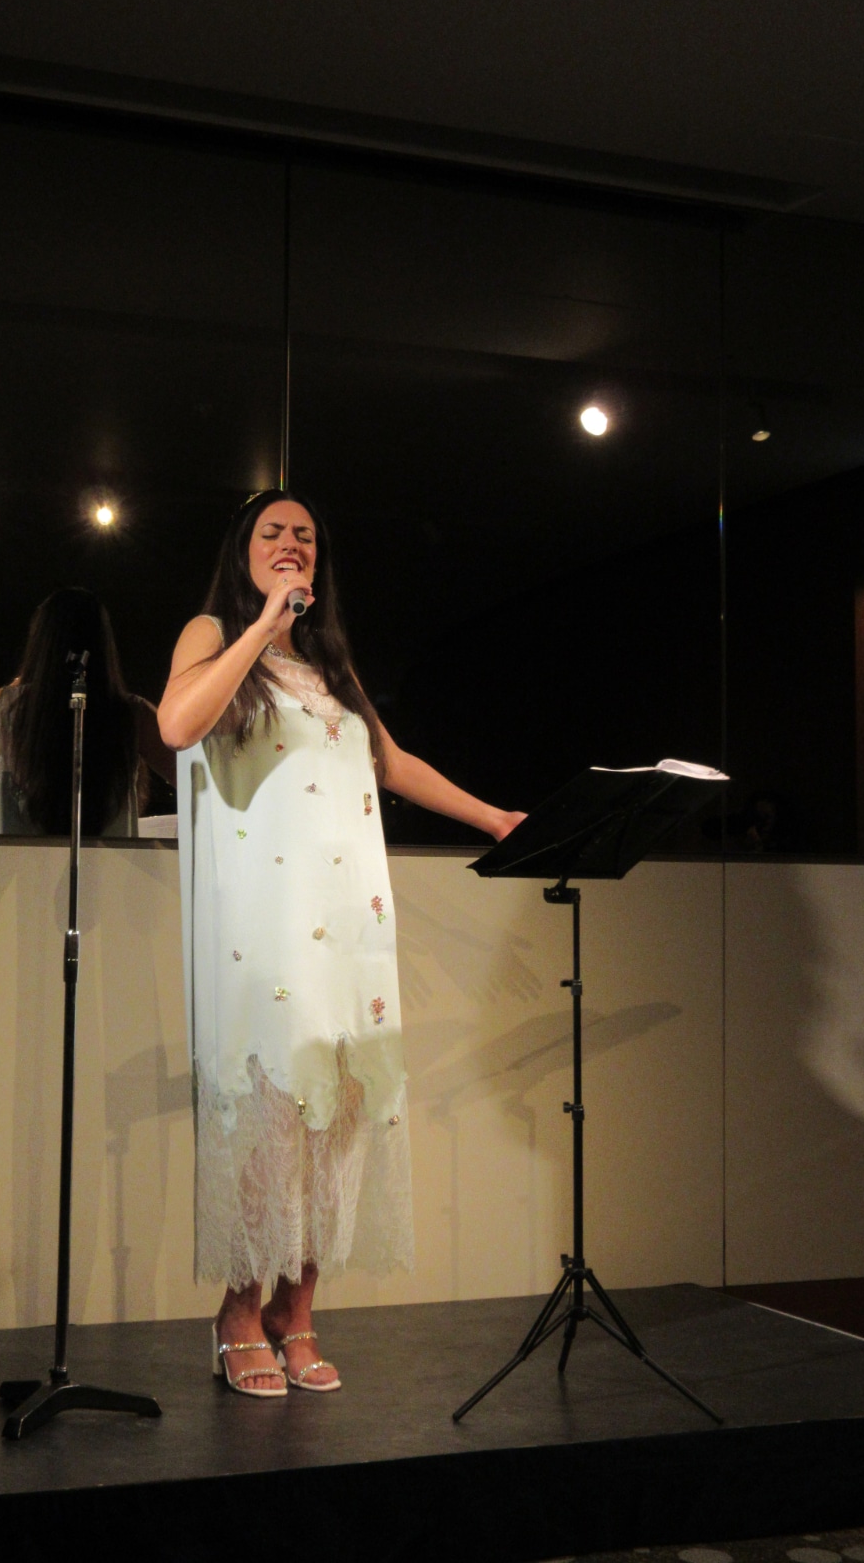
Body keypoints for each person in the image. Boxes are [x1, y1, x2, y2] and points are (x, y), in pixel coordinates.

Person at [158, 491, 524, 1398]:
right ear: (241, 552)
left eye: (306, 539)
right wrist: (263, 630)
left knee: (345, 1108)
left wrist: (493, 817)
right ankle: (238, 1310)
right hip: (269, 923)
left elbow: (390, 765)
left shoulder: (333, 669)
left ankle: (298, 1307)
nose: (291, 548)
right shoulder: (212, 632)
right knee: (275, 1113)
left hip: (350, 918)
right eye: (273, 535)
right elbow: (176, 725)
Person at [0, 586, 175, 834]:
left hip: (25, 867)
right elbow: (189, 776)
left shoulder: (5, 707)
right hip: (110, 869)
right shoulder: (131, 713)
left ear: (40, 644)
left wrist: (11, 689)